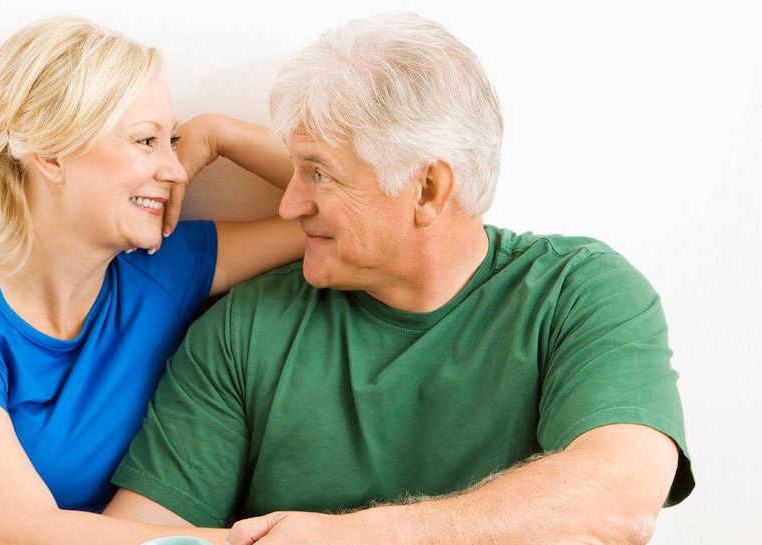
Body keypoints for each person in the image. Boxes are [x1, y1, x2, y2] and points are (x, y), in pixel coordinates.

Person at [104, 12, 695, 545]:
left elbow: (618, 503)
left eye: (319, 174)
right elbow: (145, 535)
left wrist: (357, 537)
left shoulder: (579, 293)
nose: (287, 205)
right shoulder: (245, 328)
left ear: (428, 189)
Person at [0, 17, 301, 545]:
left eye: (171, 141)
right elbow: (26, 533)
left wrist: (222, 134)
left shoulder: (163, 270)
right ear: (52, 155)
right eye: (146, 141)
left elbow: (333, 210)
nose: (175, 171)